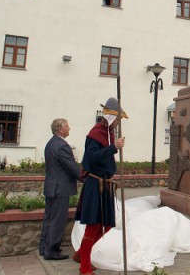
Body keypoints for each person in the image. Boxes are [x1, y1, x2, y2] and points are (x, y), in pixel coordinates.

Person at [74, 98, 127, 275]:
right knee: (93, 226)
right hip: (95, 185)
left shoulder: (109, 132)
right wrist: (113, 148)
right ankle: (84, 267)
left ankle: (81, 254)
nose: (119, 122)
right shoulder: (95, 134)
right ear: (110, 117)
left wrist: (113, 146)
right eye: (117, 118)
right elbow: (89, 160)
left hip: (105, 185)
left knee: (107, 225)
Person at [40, 118, 81, 261]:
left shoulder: (51, 143)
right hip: (60, 188)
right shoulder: (62, 145)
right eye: (67, 127)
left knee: (49, 218)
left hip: (51, 187)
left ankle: (44, 248)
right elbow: (71, 167)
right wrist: (87, 178)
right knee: (57, 219)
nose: (69, 129)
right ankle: (52, 251)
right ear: (60, 129)